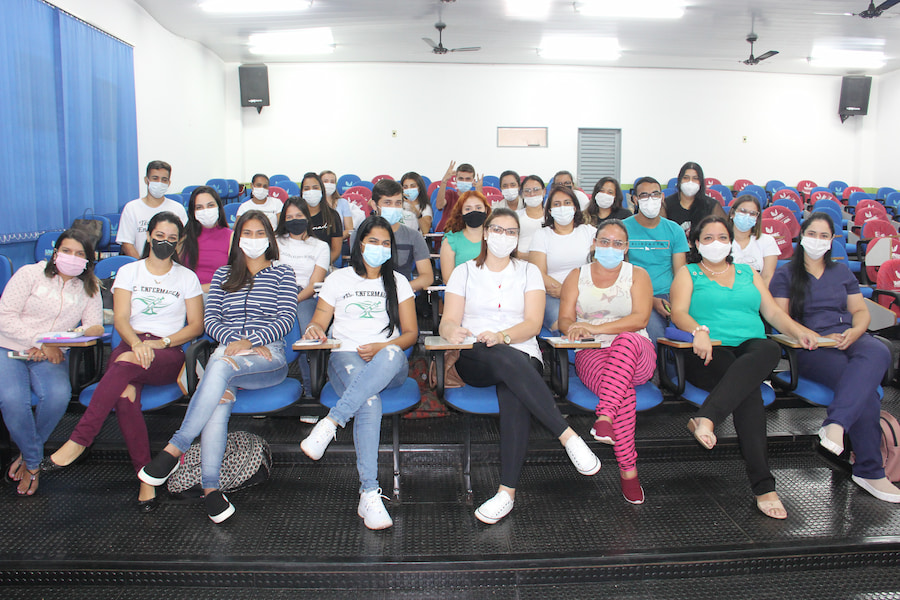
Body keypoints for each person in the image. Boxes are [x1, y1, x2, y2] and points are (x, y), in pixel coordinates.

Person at [439, 208, 601, 524]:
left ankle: (506, 493)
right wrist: (450, 331)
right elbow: (447, 321)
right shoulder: (464, 272)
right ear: (485, 233)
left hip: (521, 350)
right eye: (497, 230)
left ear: (517, 238)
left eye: (511, 232)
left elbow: (532, 324)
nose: (504, 237)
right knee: (498, 354)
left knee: (514, 388)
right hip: (476, 356)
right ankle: (568, 436)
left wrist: (503, 335)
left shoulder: (528, 271)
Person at [139, 210, 298, 523]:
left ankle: (175, 449)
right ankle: (212, 489)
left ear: (269, 238)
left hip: (267, 358)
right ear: (237, 239)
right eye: (246, 233)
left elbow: (286, 318)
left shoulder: (283, 273)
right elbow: (210, 321)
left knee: (220, 366)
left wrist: (251, 341)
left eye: (258, 233)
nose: (252, 240)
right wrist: (234, 342)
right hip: (228, 353)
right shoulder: (224, 275)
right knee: (219, 394)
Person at [46, 212, 204, 510]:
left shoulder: (187, 277)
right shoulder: (130, 272)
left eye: (172, 239)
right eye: (159, 236)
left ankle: (79, 440)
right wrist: (136, 344)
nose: (164, 243)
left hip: (168, 351)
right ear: (148, 236)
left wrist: (161, 343)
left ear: (180, 242)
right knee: (126, 395)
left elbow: (195, 326)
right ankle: (146, 478)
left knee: (123, 371)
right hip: (131, 344)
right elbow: (120, 319)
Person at [670, 215, 818, 519]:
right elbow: (679, 314)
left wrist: (799, 331)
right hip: (710, 350)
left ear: (731, 242)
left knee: (769, 346)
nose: (716, 243)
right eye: (707, 238)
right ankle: (764, 486)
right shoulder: (689, 273)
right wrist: (699, 331)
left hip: (752, 348)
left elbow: (774, 313)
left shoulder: (748, 272)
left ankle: (707, 417)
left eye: (722, 237)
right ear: (696, 244)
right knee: (748, 393)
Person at [770, 213, 900, 503]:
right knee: (862, 390)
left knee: (879, 349)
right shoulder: (785, 273)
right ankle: (869, 471)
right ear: (801, 236)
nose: (817, 240)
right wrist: (805, 334)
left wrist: (856, 331)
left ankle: (836, 423)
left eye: (824, 236)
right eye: (812, 234)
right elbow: (779, 317)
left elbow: (861, 311)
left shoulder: (841, 272)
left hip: (846, 336)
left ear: (832, 241)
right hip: (810, 346)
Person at [299, 215, 418, 530]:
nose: (378, 247)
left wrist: (381, 346)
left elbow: (410, 335)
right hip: (346, 356)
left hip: (389, 360)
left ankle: (331, 422)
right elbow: (320, 321)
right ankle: (369, 493)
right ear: (359, 243)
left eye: (385, 243)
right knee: (368, 401)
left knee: (393, 352)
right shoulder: (339, 279)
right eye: (372, 241)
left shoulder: (399, 283)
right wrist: (313, 328)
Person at [557, 219, 655, 504]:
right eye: (604, 241)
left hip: (636, 352)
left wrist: (594, 327)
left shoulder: (638, 275)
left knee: (626, 339)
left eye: (617, 243)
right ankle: (628, 471)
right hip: (592, 352)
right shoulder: (577, 275)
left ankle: (604, 415)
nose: (610, 247)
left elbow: (640, 319)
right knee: (620, 390)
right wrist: (573, 327)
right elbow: (564, 319)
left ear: (626, 249)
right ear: (594, 244)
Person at [0, 230, 104, 496]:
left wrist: (68, 339)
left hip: (51, 353)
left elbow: (94, 326)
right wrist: (37, 341)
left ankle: (26, 455)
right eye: (66, 251)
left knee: (58, 395)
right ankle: (34, 462)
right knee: (13, 399)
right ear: (55, 253)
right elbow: (4, 316)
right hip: (10, 346)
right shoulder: (29, 274)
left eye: (80, 254)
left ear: (88, 260)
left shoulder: (89, 286)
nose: (72, 257)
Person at [623, 176, 690, 346]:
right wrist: (651, 300)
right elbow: (622, 274)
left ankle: (677, 373)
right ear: (635, 200)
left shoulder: (674, 230)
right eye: (644, 195)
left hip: (669, 295)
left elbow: (680, 273)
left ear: (662, 197)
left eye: (655, 194)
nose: (650, 199)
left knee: (683, 333)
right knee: (656, 334)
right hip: (636, 296)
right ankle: (655, 373)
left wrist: (677, 303)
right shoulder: (622, 228)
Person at [275, 197, 330, 394]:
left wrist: (291, 301)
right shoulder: (275, 242)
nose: (294, 220)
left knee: (308, 334)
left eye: (299, 215)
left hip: (306, 295)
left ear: (307, 218)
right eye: (289, 216)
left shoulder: (320, 246)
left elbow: (314, 283)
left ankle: (311, 389)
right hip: (277, 292)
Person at [528, 186, 597, 332]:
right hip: (552, 294)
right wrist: (564, 292)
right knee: (566, 326)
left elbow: (598, 267)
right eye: (557, 204)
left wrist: (569, 292)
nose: (562, 207)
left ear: (575, 207)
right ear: (550, 210)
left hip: (585, 292)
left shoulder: (589, 232)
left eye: (567, 203)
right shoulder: (542, 235)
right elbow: (538, 272)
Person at [353, 179, 433, 292]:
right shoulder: (360, 234)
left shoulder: (414, 236)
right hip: (366, 293)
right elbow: (356, 271)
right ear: (375, 205)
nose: (393, 207)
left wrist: (400, 290)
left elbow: (427, 277)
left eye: (398, 203)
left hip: (401, 295)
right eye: (387, 203)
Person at [116, 160, 188, 258]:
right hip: (141, 265)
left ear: (169, 183)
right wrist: (141, 267)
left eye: (164, 179)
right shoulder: (132, 208)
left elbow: (182, 241)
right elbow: (127, 243)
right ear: (146, 180)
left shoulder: (177, 209)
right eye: (155, 178)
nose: (159, 183)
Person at [180, 186, 232, 293]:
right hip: (188, 294)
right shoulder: (184, 236)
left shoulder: (231, 236)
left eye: (210, 205)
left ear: (219, 207)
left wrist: (202, 289)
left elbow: (235, 275)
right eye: (199, 207)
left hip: (219, 293)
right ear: (193, 212)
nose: (206, 211)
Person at [663, 161, 726, 237]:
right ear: (680, 180)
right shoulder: (667, 204)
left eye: (695, 178)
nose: (690, 182)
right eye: (686, 178)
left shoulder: (712, 205)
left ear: (701, 182)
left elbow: (724, 231)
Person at [439, 191, 491, 283]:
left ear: (485, 210)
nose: (474, 212)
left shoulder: (496, 237)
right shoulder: (451, 240)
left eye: (478, 207)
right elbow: (448, 279)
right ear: (461, 212)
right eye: (468, 209)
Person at [729, 194, 779, 286]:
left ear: (757, 218)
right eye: (743, 211)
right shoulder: (720, 241)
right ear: (733, 213)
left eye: (752, 213)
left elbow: (767, 277)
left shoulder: (767, 241)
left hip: (756, 293)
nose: (747, 216)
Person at [300, 171, 344, 264]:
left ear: (322, 190)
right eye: (307, 188)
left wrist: (321, 267)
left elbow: (335, 251)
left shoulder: (333, 216)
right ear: (302, 192)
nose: (311, 191)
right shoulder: (296, 216)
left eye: (315, 188)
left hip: (324, 265)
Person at [435, 161, 480, 231]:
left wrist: (479, 192)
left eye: (468, 179)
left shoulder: (474, 198)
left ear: (473, 181)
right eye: (461, 178)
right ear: (456, 180)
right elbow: (439, 205)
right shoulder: (450, 194)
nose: (464, 181)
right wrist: (444, 181)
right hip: (446, 234)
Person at [515, 175, 546, 262]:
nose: (532, 194)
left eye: (536, 190)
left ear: (544, 191)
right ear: (522, 194)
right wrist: (530, 257)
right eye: (527, 191)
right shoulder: (515, 217)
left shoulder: (552, 216)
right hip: (520, 264)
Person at [319, 170, 354, 237]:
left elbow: (349, 229)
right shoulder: (315, 204)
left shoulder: (343, 202)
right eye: (325, 181)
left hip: (340, 242)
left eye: (332, 182)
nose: (329, 184)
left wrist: (336, 240)